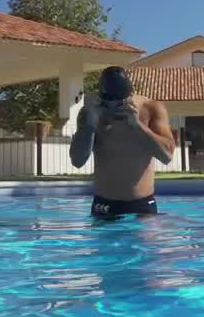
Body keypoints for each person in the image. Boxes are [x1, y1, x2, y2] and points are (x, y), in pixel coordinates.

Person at [69, 66, 175, 217]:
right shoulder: (90, 112)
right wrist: (90, 126)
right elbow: (77, 161)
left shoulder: (151, 108)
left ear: (131, 93)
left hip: (142, 207)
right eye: (109, 102)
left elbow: (167, 156)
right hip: (103, 206)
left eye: (120, 102)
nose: (114, 107)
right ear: (101, 96)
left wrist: (138, 126)